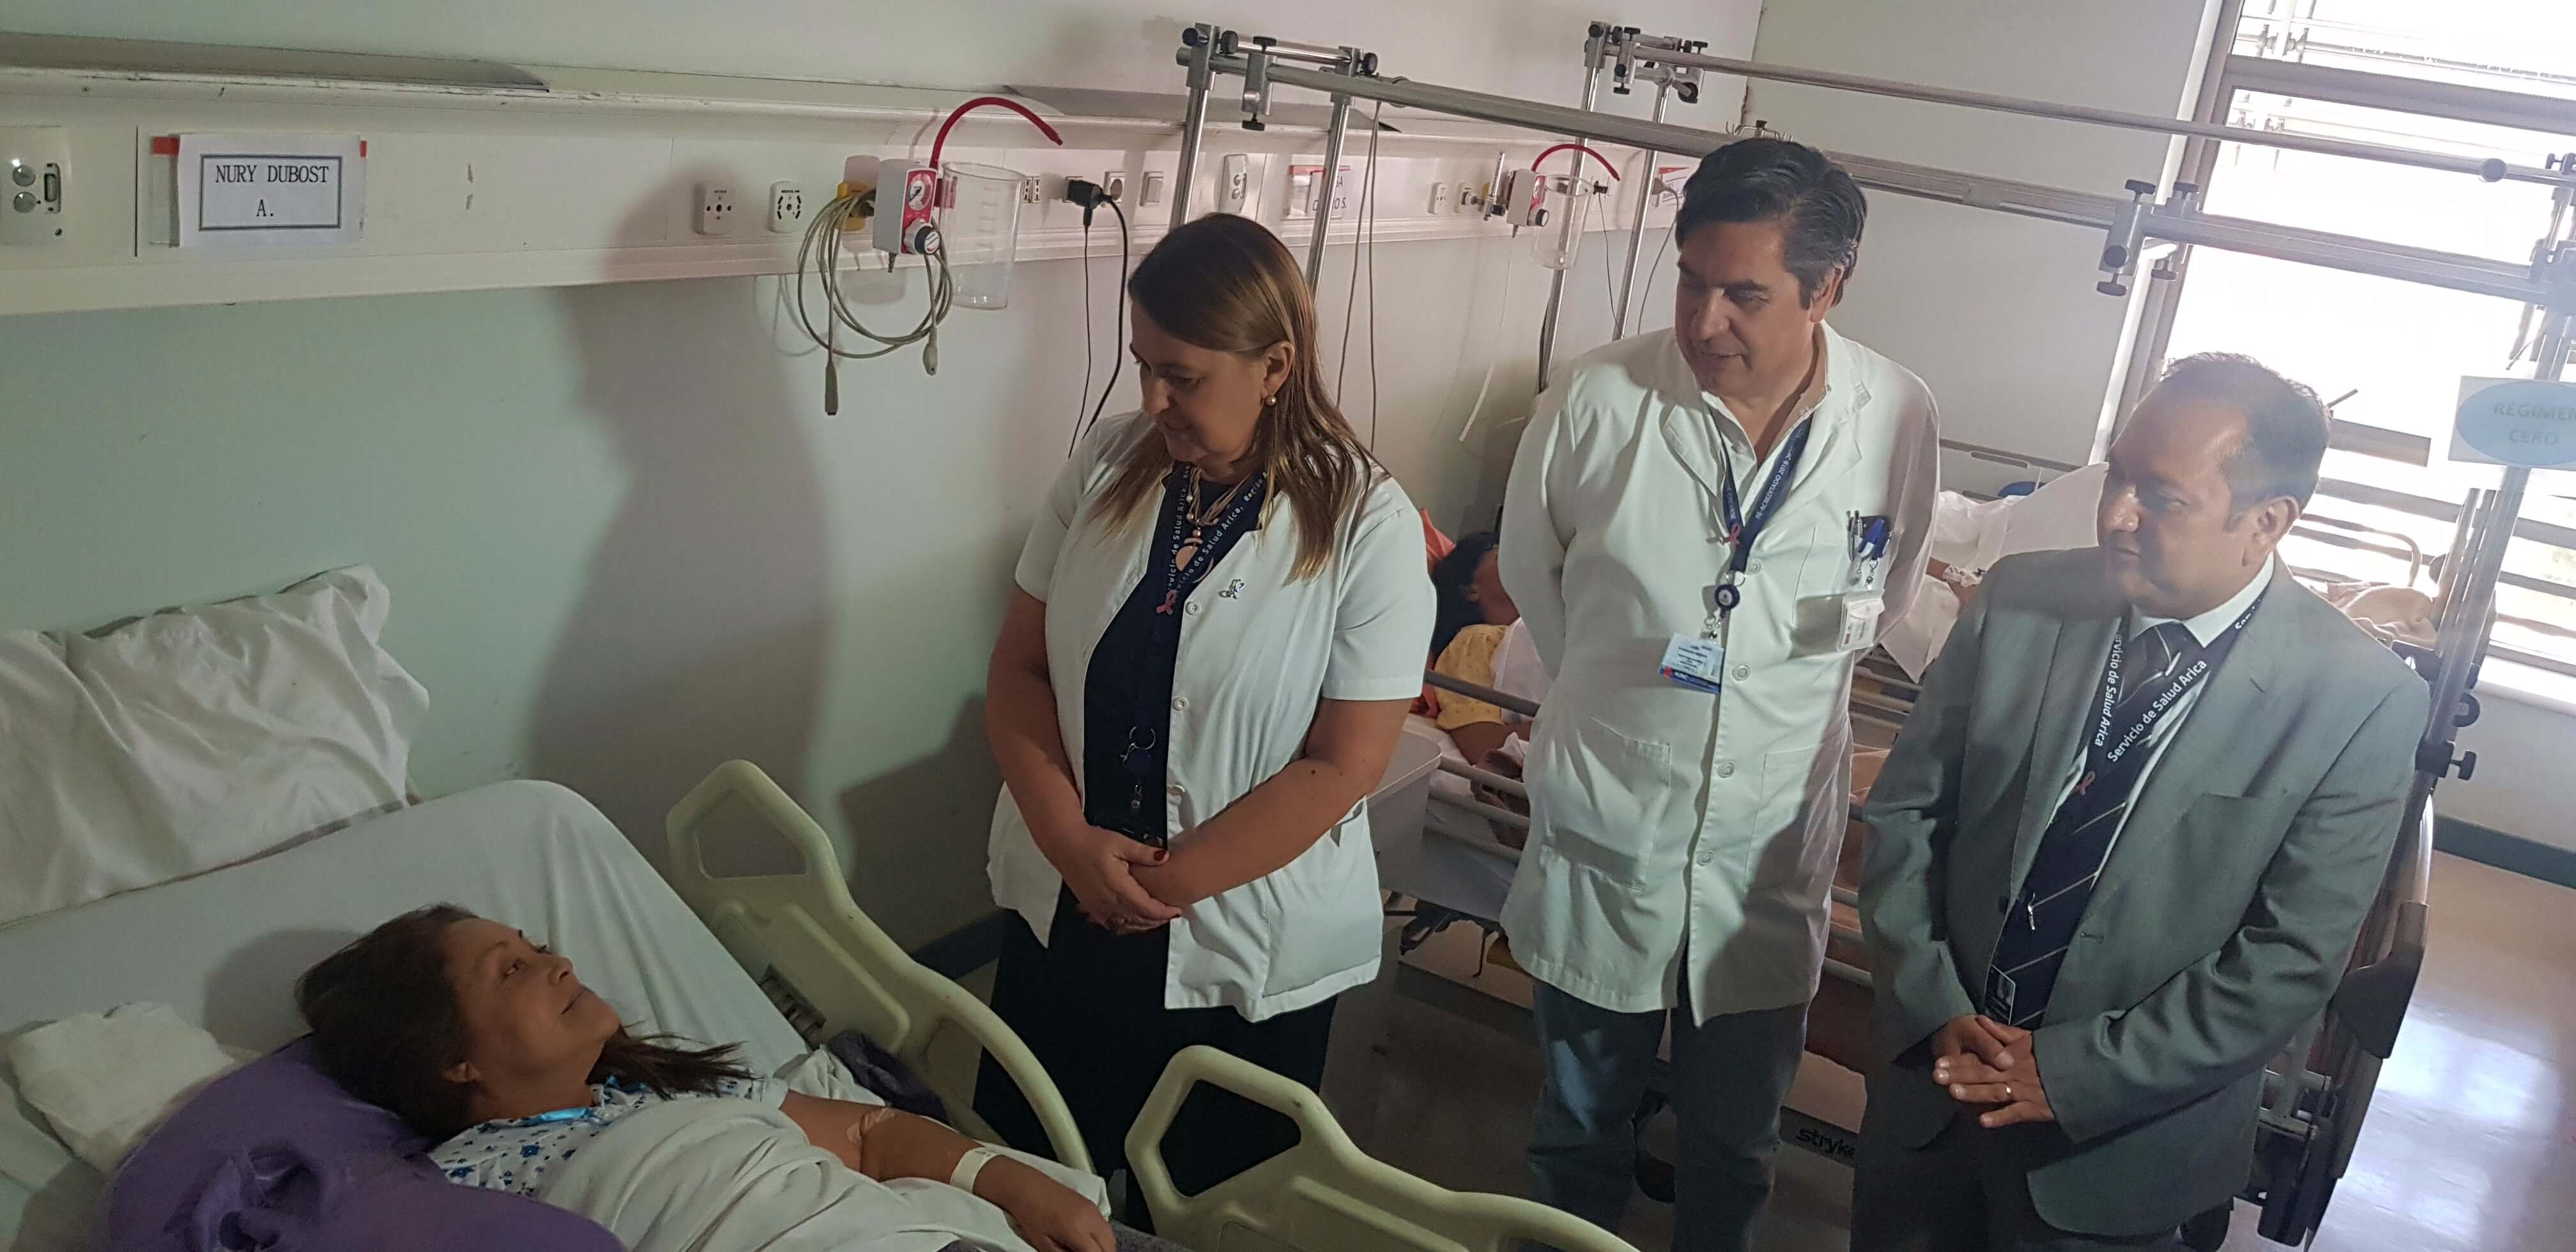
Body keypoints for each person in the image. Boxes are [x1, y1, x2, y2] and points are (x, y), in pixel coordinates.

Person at [1853, 354, 2426, 1249]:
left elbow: (2290, 956)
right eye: (2116, 475)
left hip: (2114, 1150)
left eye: (2162, 497)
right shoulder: (2020, 600)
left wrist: (2073, 1074)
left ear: (2266, 522)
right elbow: (1907, 811)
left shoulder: (2356, 698)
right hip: (1932, 1091)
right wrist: (1932, 1004)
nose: (2116, 514)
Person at [1498, 135, 1939, 1250]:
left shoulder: (1894, 412)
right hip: (1610, 827)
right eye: (1690, 282)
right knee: (1574, 1130)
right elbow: (1535, 583)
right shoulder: (1594, 399)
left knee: (1736, 1148)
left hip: (1767, 853)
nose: (1704, 322)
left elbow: (1885, 595)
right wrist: (1643, 705)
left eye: (1744, 294)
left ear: (1827, 289)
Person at [974, 213, 1435, 1216]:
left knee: (1201, 1210)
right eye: (1144, 366)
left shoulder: (1368, 525)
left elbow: (1345, 763)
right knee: (1035, 1189)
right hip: (1068, 905)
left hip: (1236, 940)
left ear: (1275, 367)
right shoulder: (1109, 464)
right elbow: (1017, 671)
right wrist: (1071, 844)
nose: (1152, 400)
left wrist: (1159, 887)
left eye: (1181, 377)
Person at [295, 905, 1133, 1252]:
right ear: (454, 1059)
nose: (558, 964)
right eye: (511, 970)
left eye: (535, 946)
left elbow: (872, 1134)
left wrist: (1013, 1181)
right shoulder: (460, 1184)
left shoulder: (669, 1090)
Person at [1427, 530, 1524, 763]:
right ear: (1471, 590)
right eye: (1500, 556)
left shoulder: (1552, 630)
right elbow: (1481, 742)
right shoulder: (1473, 642)